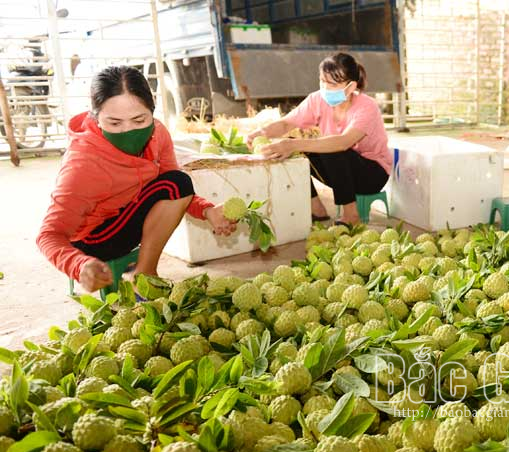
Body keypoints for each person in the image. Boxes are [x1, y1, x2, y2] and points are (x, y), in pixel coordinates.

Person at [37, 65, 236, 294]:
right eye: (114, 123)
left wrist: (207, 211)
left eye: (139, 120)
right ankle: (143, 276)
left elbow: (170, 186)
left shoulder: (157, 133)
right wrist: (79, 265)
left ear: (152, 111)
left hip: (124, 214)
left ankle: (143, 273)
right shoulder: (83, 165)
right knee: (177, 183)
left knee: (178, 181)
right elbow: (48, 235)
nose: (128, 130)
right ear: (96, 117)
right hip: (91, 239)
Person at [249, 53, 392, 226]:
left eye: (331, 83)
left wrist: (292, 144)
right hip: (340, 172)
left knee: (329, 146)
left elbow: (343, 142)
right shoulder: (317, 99)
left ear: (350, 86)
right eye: (322, 81)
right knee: (297, 147)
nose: (325, 87)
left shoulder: (366, 106)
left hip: (371, 174)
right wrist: (260, 132)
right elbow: (287, 123)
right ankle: (317, 209)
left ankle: (351, 215)